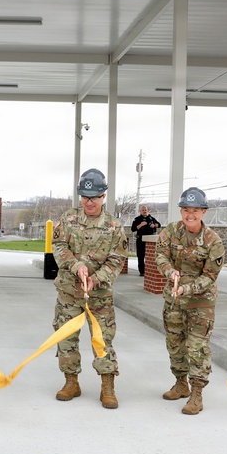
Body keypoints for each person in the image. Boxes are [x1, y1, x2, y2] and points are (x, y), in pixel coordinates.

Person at [51, 168, 128, 408]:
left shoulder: (114, 227)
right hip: (69, 293)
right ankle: (71, 382)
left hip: (99, 295)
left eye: (94, 197)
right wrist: (75, 266)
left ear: (103, 195)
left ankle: (107, 386)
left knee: (102, 340)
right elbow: (59, 244)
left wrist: (97, 278)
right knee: (65, 339)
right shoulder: (68, 219)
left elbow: (117, 260)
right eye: (85, 197)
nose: (89, 202)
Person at [155, 186, 225, 415]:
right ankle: (180, 384)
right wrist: (169, 272)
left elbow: (210, 276)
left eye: (195, 210)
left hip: (200, 303)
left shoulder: (213, 241)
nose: (190, 214)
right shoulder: (171, 232)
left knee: (197, 348)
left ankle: (197, 394)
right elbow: (161, 255)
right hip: (175, 300)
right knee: (175, 345)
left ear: (204, 212)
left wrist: (188, 287)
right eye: (186, 209)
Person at [131, 203, 161, 277]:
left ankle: (149, 270)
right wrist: (141, 224)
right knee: (141, 256)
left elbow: (159, 224)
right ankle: (142, 271)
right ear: (140, 211)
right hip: (141, 239)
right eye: (143, 210)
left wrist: (154, 225)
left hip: (150, 239)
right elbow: (133, 229)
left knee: (150, 255)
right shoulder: (137, 219)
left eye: (146, 210)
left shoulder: (151, 218)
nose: (144, 211)